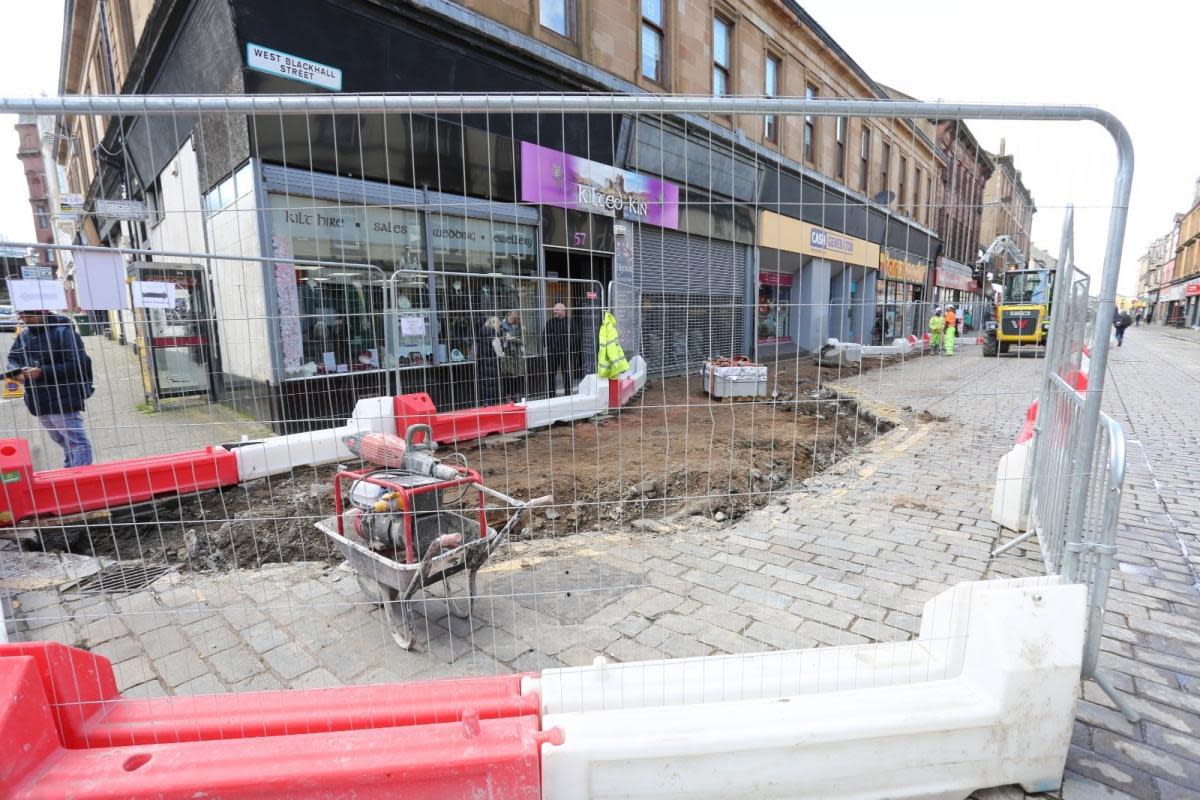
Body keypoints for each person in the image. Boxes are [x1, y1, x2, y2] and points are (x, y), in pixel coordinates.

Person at [6, 309, 95, 467]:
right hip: (38, 399)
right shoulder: (25, 336)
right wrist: (14, 372)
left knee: (77, 443)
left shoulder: (63, 333)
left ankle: (80, 481)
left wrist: (42, 372)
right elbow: (13, 357)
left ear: (43, 313)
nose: (25, 320)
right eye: (22, 316)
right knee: (64, 442)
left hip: (63, 397)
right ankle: (70, 475)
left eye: (30, 316)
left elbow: (77, 364)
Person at [542, 303, 578, 396]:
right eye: (554, 310)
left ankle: (568, 395)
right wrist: (550, 347)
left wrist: (569, 348)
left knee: (567, 374)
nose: (554, 311)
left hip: (566, 352)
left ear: (563, 310)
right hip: (552, 353)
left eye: (557, 310)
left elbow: (576, 336)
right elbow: (544, 336)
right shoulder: (550, 322)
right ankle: (550, 395)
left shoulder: (571, 322)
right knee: (550, 374)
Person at [475, 316, 504, 403]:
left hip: (483, 366)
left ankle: (486, 403)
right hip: (493, 368)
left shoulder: (481, 336)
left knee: (485, 386)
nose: (499, 327)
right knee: (492, 388)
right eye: (498, 324)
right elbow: (500, 354)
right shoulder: (494, 338)